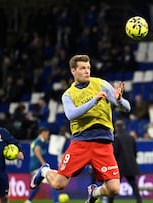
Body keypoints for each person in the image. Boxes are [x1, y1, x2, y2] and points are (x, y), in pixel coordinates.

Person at [29, 54, 131, 203]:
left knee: (114, 189)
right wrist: (94, 100)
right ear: (73, 71)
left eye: (88, 68)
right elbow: (71, 115)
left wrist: (119, 99)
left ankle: (94, 192)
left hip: (103, 144)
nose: (87, 71)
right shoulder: (68, 95)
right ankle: (45, 170)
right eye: (82, 68)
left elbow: (127, 108)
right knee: (58, 184)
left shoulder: (101, 84)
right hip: (80, 143)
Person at [108, 120, 142, 203]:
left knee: (114, 187)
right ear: (124, 127)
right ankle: (139, 201)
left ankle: (110, 202)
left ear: (115, 128)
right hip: (131, 165)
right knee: (134, 185)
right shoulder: (131, 137)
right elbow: (135, 152)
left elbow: (114, 153)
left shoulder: (116, 138)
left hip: (120, 167)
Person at [25, 128, 59, 203]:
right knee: (54, 182)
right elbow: (37, 151)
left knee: (37, 186)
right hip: (38, 168)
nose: (48, 136)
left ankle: (28, 201)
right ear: (43, 133)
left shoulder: (35, 141)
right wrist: (43, 163)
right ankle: (56, 202)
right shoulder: (40, 141)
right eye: (47, 134)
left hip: (33, 166)